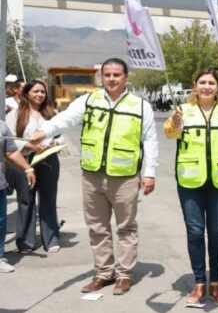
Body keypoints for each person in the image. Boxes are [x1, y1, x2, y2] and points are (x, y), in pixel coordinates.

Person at [29, 58, 158, 295]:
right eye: (107, 75)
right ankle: (103, 273)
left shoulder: (141, 106)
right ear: (102, 78)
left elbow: (149, 140)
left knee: (126, 227)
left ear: (126, 77)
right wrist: (44, 131)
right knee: (97, 227)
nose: (111, 79)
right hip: (92, 175)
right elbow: (65, 119)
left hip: (125, 177)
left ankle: (124, 275)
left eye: (116, 75)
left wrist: (149, 173)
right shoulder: (88, 100)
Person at [165, 68, 218, 305]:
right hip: (190, 182)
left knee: (217, 232)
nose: (207, 87)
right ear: (195, 85)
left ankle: (215, 283)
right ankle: (199, 282)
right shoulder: (183, 111)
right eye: (202, 82)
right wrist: (175, 123)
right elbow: (170, 135)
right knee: (194, 232)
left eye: (211, 82)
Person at [6, 80, 61, 254]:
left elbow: (62, 137)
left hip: (49, 160)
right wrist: (29, 146)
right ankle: (25, 242)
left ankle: (51, 239)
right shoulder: (15, 115)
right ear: (27, 94)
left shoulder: (53, 114)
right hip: (24, 162)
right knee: (26, 200)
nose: (40, 95)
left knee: (48, 200)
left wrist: (54, 142)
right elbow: (10, 139)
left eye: (43, 92)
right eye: (36, 91)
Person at [0, 120, 37, 273]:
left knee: (0, 223)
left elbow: (11, 151)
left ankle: (0, 257)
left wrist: (28, 169)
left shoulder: (1, 125)